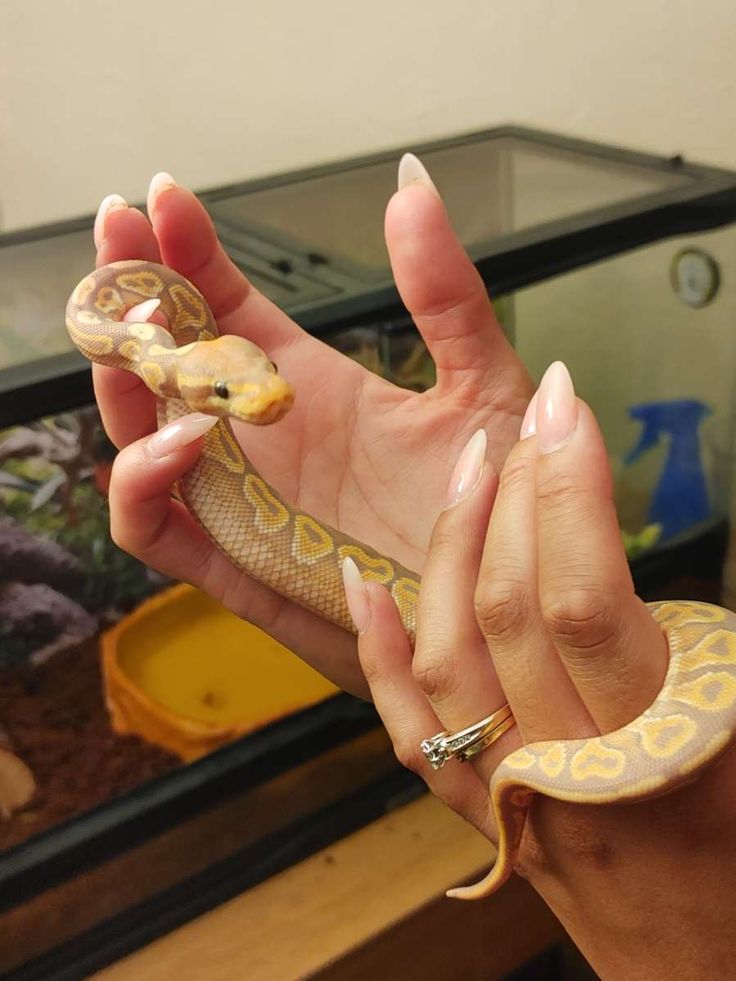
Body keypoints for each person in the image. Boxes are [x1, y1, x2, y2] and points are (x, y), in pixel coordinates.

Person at [94, 161, 736, 979]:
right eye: (226, 393)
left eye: (259, 379)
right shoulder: (167, 358)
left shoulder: (200, 370)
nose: (263, 401)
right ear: (177, 375)